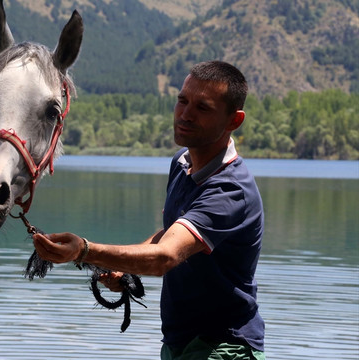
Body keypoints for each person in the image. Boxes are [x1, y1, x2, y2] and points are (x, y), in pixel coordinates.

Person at [32, 60, 265, 360]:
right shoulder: (182, 164)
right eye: (182, 101)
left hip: (224, 347)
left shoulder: (230, 190)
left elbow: (165, 257)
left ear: (234, 120)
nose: (185, 114)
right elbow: (172, 234)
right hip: (180, 343)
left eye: (202, 108)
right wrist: (124, 268)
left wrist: (83, 250)